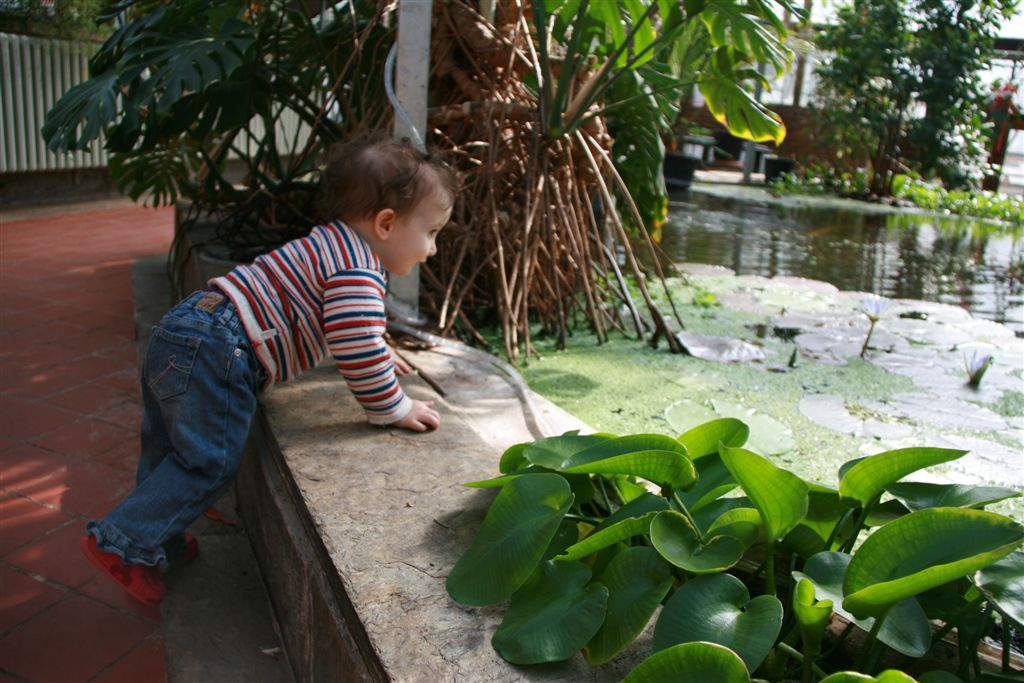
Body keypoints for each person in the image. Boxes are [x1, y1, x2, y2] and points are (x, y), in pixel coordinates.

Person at [81, 138, 457, 606]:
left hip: (184, 327)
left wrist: (378, 347)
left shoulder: (329, 243)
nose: (432, 249)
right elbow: (355, 345)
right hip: (219, 349)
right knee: (210, 461)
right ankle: (120, 541)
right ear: (385, 223)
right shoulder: (359, 269)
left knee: (166, 448)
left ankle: (158, 539)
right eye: (432, 232)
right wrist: (393, 405)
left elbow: (353, 331)